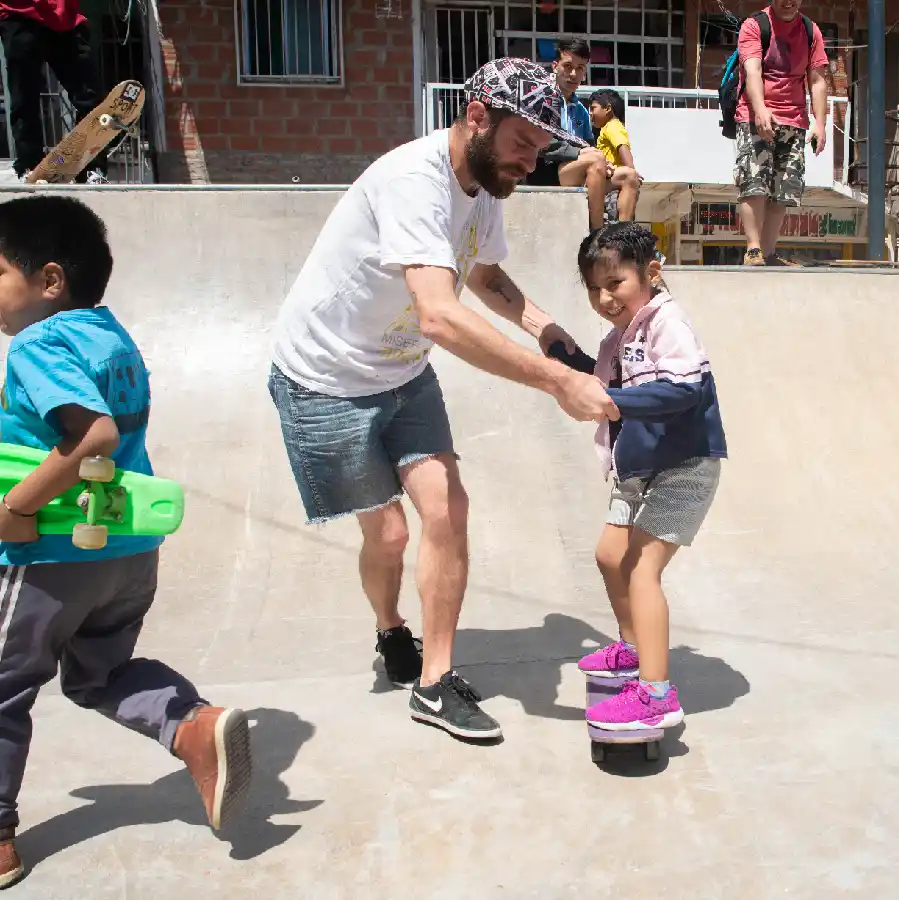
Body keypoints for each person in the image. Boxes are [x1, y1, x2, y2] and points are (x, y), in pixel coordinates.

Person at [268, 58, 618, 742]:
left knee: (447, 510)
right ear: (477, 116)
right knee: (389, 534)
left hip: (402, 373)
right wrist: (557, 383)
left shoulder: (485, 184)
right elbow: (439, 314)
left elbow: (482, 276)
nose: (532, 160)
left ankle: (434, 684)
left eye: (544, 148)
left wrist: (547, 331)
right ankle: (390, 628)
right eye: (524, 142)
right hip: (325, 378)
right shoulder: (413, 181)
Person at [0, 195, 252, 889]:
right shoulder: (111, 336)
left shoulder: (36, 345)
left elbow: (94, 436)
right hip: (128, 547)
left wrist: (17, 508)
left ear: (49, 280)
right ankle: (194, 727)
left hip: (52, 549)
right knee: (99, 674)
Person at [547, 222, 727, 728]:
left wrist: (610, 402)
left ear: (651, 273)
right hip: (640, 468)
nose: (604, 298)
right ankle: (631, 647)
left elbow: (685, 388)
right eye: (593, 289)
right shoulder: (619, 335)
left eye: (615, 284)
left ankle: (656, 694)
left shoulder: (667, 321)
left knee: (641, 570)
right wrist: (564, 356)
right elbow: (606, 381)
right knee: (609, 556)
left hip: (685, 464)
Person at [734, 0, 829, 267]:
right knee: (754, 182)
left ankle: (768, 251)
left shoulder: (811, 31)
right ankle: (753, 249)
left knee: (783, 189)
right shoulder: (755, 25)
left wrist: (820, 123)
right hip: (755, 117)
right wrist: (760, 108)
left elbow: (818, 80)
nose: (788, 2)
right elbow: (753, 71)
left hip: (795, 120)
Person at [0, 0, 109, 183]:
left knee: (91, 97)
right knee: (25, 98)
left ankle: (91, 167)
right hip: (19, 15)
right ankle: (29, 165)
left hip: (66, 20)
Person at [525, 40, 612, 230]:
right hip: (543, 170)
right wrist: (581, 154)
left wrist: (600, 159)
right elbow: (542, 143)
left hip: (576, 168)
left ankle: (624, 239)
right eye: (568, 66)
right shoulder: (540, 99)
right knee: (595, 161)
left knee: (628, 177)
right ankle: (596, 236)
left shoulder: (581, 109)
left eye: (580, 68)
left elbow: (589, 146)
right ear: (555, 66)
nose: (573, 74)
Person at [588, 88, 642, 225]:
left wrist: (631, 171)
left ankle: (624, 228)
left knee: (629, 174)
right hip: (607, 179)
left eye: (593, 108)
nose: (590, 113)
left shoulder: (612, 126)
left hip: (612, 179)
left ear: (607, 109)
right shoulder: (607, 128)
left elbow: (621, 146)